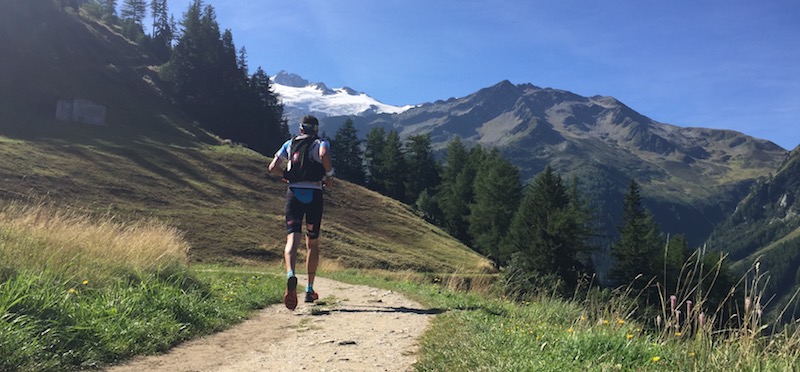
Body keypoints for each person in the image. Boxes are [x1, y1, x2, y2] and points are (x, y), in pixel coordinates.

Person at [268, 115, 334, 310]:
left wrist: (288, 175)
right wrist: (329, 176)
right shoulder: (320, 143)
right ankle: (310, 289)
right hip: (314, 195)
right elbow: (324, 155)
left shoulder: (289, 144)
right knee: (312, 243)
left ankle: (290, 275)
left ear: (301, 129)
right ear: (315, 129)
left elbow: (272, 168)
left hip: (294, 194)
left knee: (292, 240)